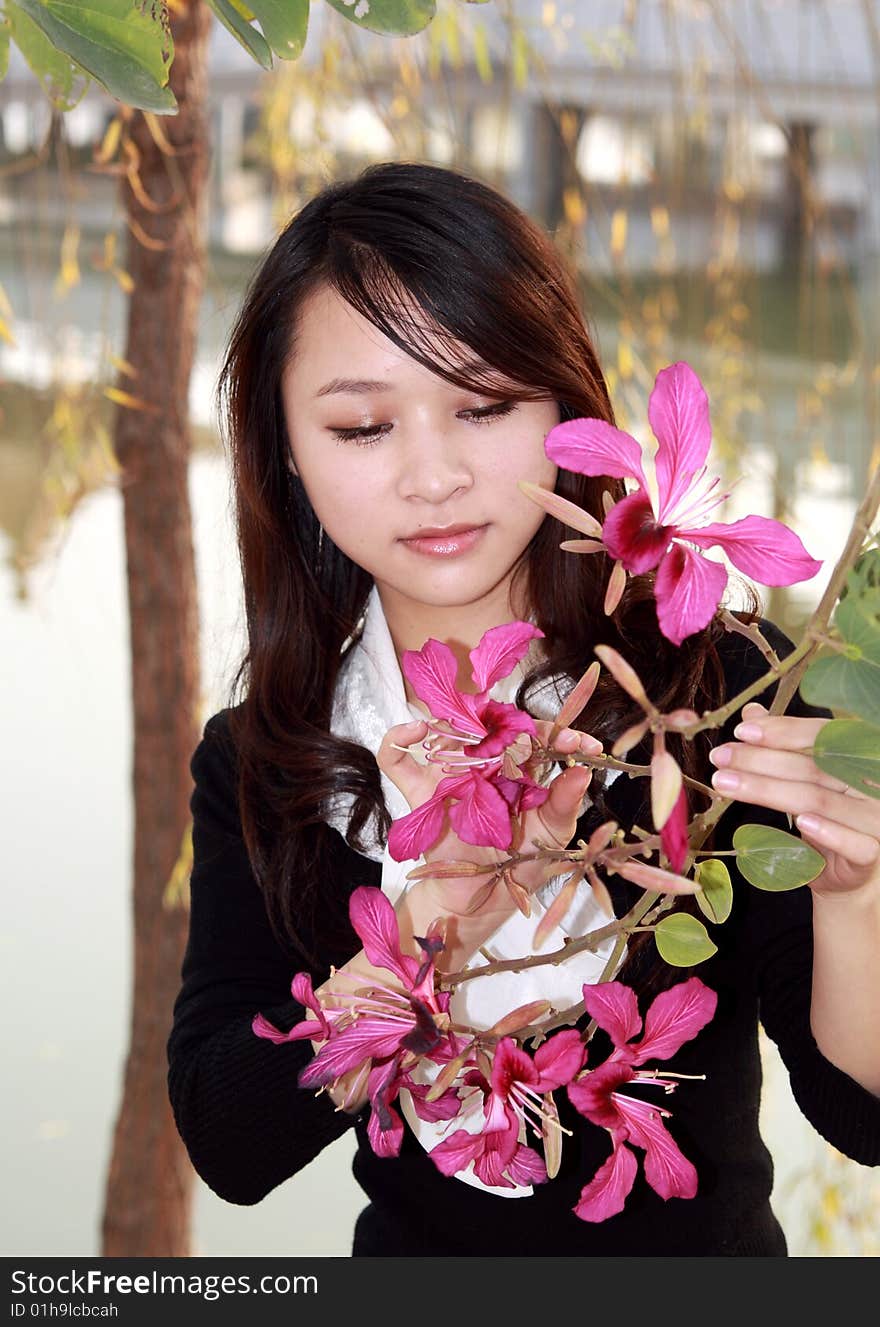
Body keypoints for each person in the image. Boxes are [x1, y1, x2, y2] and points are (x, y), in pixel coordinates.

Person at [166, 161, 880, 1256]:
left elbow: (861, 1111)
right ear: (287, 454)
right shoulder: (270, 753)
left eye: (484, 405)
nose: (433, 474)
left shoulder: (710, 683)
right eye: (363, 427)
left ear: (562, 406)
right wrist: (428, 931)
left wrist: (860, 890)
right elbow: (229, 1141)